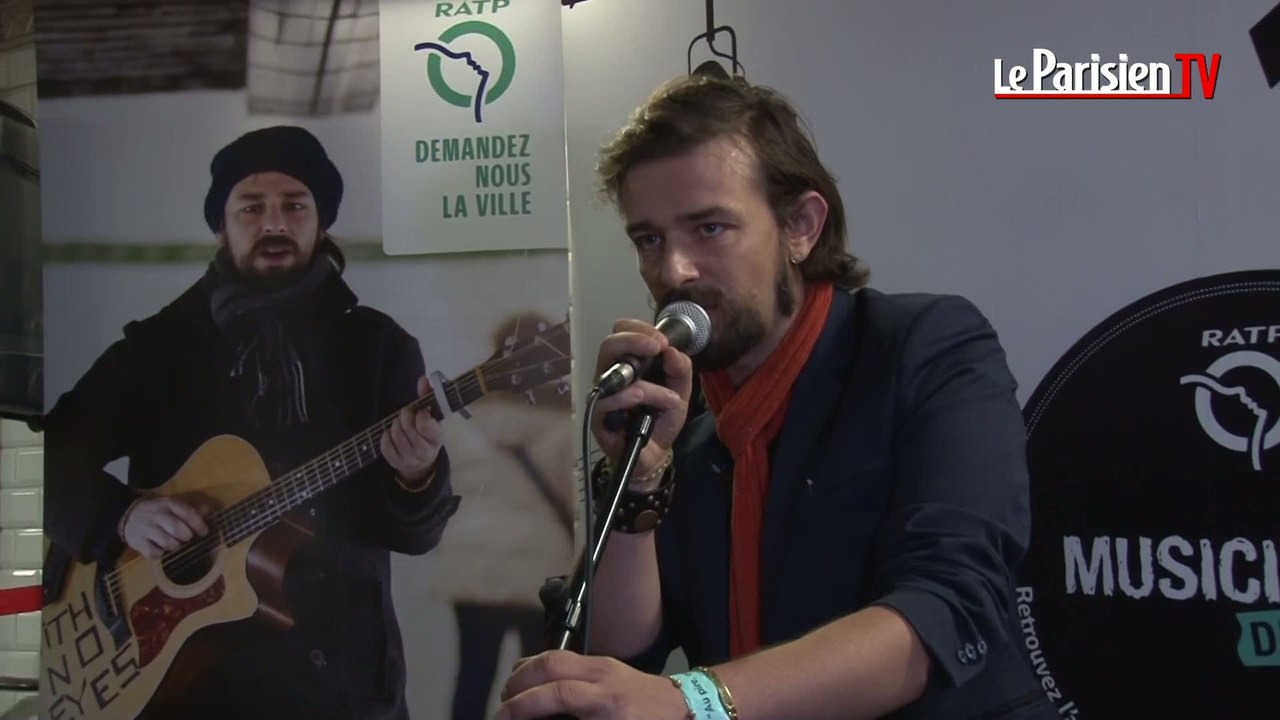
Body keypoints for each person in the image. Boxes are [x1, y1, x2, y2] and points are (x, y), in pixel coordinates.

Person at [498, 75, 1057, 719]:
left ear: (800, 227)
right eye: (648, 239)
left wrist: (696, 702)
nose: (673, 270)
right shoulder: (685, 415)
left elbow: (946, 612)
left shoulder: (922, 349)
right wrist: (641, 479)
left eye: (709, 228)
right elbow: (618, 656)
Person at [42, 125, 460, 720]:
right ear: (222, 224)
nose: (274, 224)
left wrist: (418, 474)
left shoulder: (379, 349)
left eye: (295, 205)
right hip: (184, 686)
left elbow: (414, 536)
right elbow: (49, 454)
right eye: (251, 207)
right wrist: (123, 516)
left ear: (321, 222)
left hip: (340, 685)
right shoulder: (157, 349)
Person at [430, 311, 576, 720]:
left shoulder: (466, 420)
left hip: (472, 564)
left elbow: (445, 492)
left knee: (472, 675)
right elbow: (573, 499)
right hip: (539, 568)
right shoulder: (562, 424)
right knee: (535, 681)